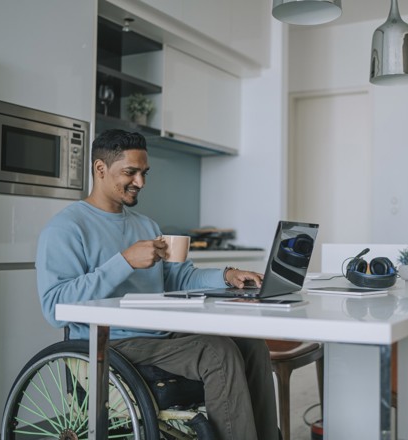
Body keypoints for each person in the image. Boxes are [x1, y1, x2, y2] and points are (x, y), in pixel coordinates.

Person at [36, 129, 279, 440]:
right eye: (131, 172)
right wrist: (124, 261)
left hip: (159, 332)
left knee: (251, 343)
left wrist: (227, 275)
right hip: (111, 341)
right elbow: (54, 308)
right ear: (100, 169)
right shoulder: (65, 228)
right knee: (216, 352)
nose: (141, 182)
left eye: (144, 172)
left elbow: (178, 278)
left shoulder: (146, 225)